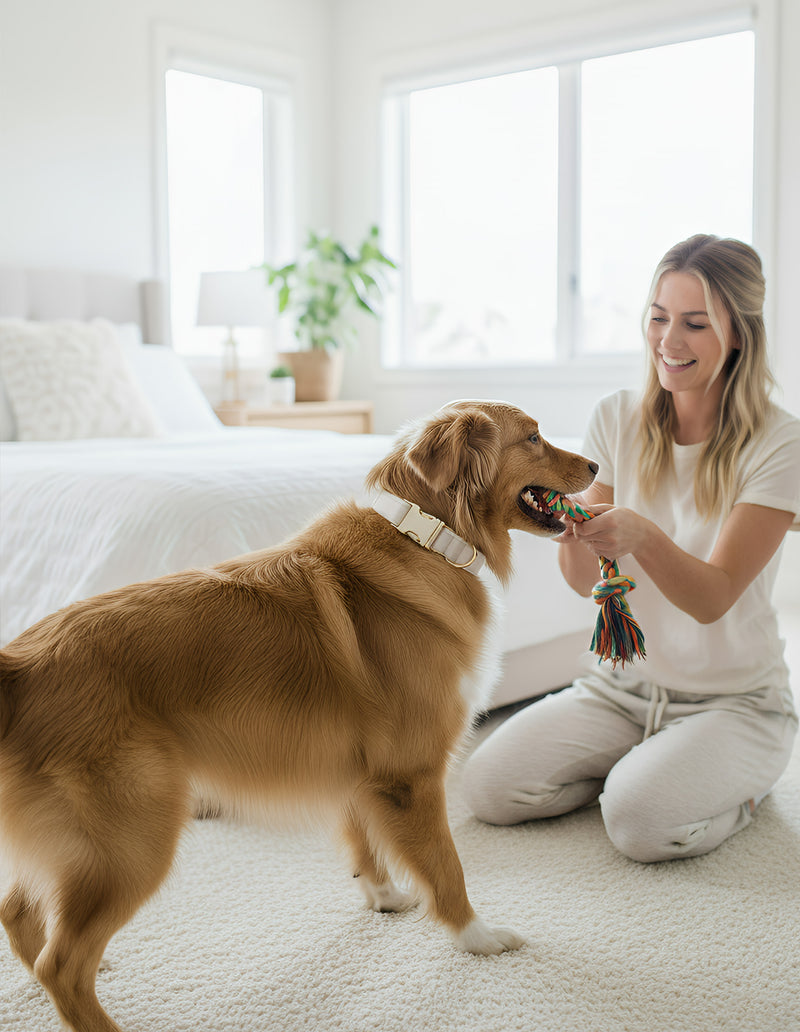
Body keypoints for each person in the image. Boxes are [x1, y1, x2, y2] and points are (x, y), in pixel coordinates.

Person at [462, 234, 800, 862]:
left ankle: (738, 790)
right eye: (658, 317)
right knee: (488, 788)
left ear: (740, 334)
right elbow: (581, 581)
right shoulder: (617, 417)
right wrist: (575, 532)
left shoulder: (779, 442)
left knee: (638, 825)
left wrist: (642, 534)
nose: (669, 341)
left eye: (695, 324)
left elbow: (714, 599)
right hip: (621, 690)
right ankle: (642, 768)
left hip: (735, 704)